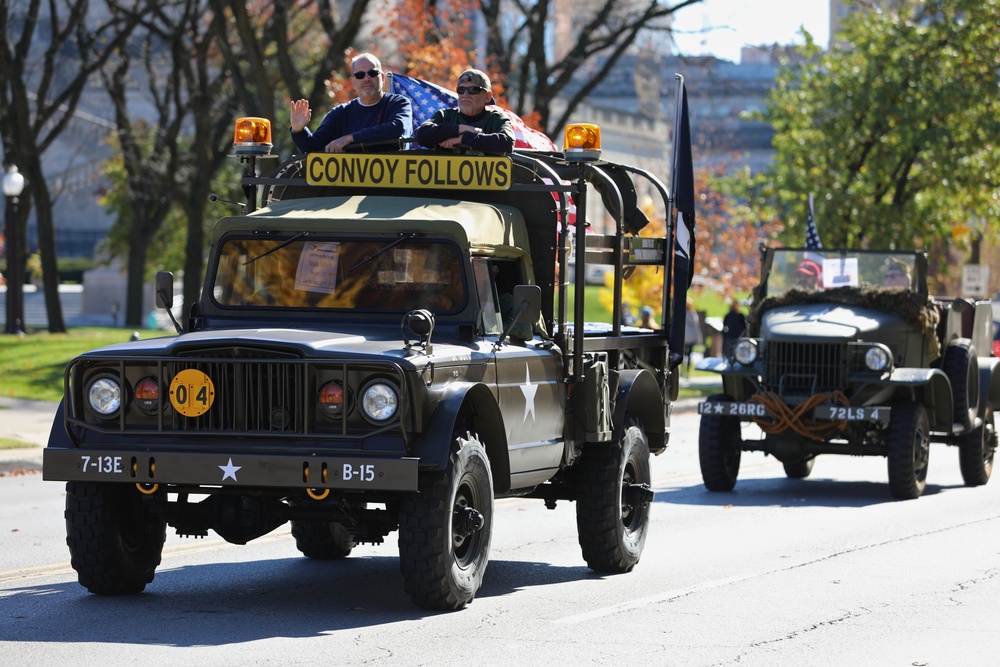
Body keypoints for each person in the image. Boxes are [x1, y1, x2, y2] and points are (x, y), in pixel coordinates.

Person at [289, 53, 412, 154]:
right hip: (350, 184)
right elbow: (314, 147)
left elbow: (397, 128)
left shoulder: (398, 103)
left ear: (383, 78)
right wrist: (299, 131)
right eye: (360, 75)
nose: (367, 78)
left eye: (373, 73)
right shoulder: (339, 114)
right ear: (352, 82)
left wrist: (349, 138)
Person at [414, 69, 515, 155]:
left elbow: (507, 142)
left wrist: (463, 138)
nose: (465, 94)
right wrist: (461, 129)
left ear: (488, 96)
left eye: (473, 90)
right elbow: (421, 134)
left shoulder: (496, 120)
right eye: (461, 89)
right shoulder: (446, 116)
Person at [684, 301, 703, 375]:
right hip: (691, 337)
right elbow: (696, 327)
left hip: (684, 337)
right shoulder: (692, 314)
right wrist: (699, 339)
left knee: (683, 354)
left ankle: (683, 370)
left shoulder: (680, 314)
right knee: (689, 355)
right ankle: (687, 371)